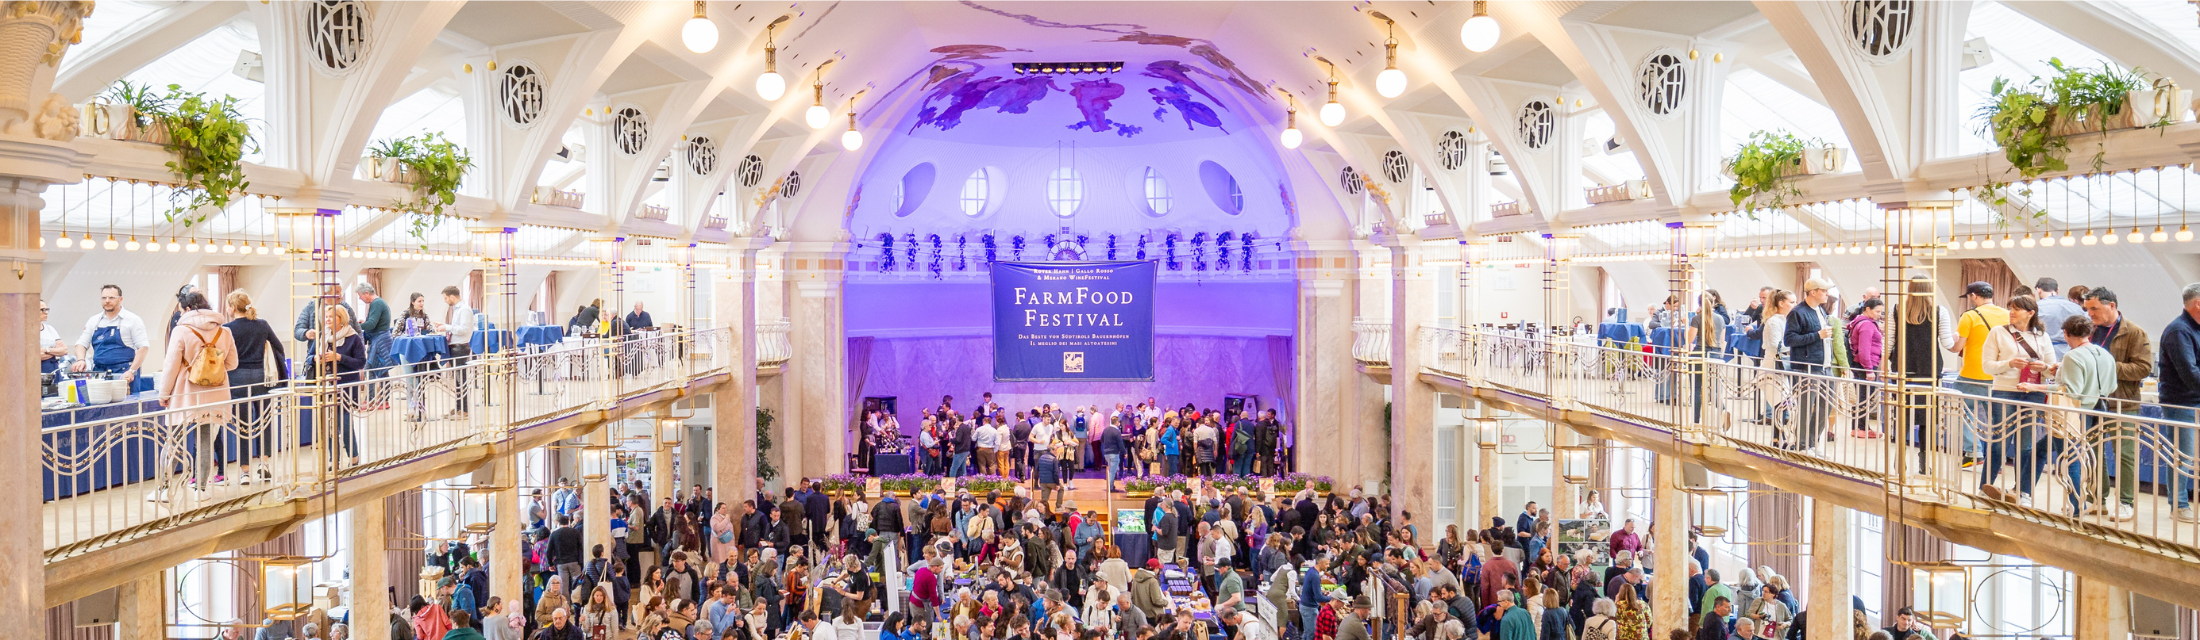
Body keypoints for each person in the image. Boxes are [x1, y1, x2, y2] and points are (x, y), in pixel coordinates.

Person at [154, 291, 237, 499]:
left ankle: (164, 489)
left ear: (187, 309)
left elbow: (171, 365)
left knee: (174, 440)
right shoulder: (224, 331)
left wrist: (164, 393)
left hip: (186, 394)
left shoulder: (181, 331)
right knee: (206, 441)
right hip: (217, 393)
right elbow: (232, 364)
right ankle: (200, 489)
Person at [1979, 295, 2054, 506]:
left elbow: (2052, 368)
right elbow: (1987, 366)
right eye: (2010, 308)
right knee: (1999, 442)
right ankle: (1985, 487)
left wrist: (2044, 368)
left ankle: (2023, 492)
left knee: (2026, 445)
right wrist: (2010, 363)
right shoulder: (1998, 333)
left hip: (2033, 392)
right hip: (2005, 391)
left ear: (2031, 313)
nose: (2011, 312)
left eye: (2017, 309)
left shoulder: (2042, 336)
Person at [2084, 287, 2149, 521]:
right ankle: (2095, 500)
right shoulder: (2089, 330)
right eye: (2087, 309)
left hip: (2123, 402)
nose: (2090, 314)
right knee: (2092, 452)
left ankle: (2126, 503)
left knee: (2125, 455)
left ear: (2111, 305)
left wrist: (2107, 365)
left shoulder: (2134, 332)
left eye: (2095, 309)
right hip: (2091, 402)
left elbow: (2143, 368)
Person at [224, 290, 289, 485]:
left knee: (243, 425)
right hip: (262, 378)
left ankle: (245, 471)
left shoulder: (227, 329)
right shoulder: (262, 325)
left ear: (233, 308)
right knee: (264, 422)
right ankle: (264, 464)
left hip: (237, 379)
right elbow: (279, 347)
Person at [1952, 281, 2009, 464]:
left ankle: (1973, 452)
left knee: (1962, 408)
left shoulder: (1969, 316)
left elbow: (1957, 347)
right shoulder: (2007, 315)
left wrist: (1953, 340)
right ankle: (1996, 459)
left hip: (1973, 373)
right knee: (1998, 420)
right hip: (1999, 374)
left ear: (1974, 296)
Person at [2158, 283, 2200, 523]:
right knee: (2181, 456)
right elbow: (2189, 373)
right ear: (2197, 303)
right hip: (2181, 404)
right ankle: (2179, 505)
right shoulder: (2178, 330)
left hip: (2194, 400)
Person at [1784, 278, 1836, 450]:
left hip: (1825, 366)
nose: (1827, 294)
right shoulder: (1797, 312)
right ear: (1813, 292)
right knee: (1806, 409)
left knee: (1825, 407)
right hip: (1807, 368)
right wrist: (1817, 335)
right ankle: (1802, 445)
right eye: (1824, 290)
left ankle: (1812, 443)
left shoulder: (1820, 310)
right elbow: (1789, 339)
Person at [70, 284, 151, 389]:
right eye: (104, 298)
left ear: (120, 299)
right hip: (100, 372)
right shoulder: (94, 320)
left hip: (124, 372)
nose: (107, 301)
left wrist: (132, 370)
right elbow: (81, 343)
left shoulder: (132, 320)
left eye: (111, 298)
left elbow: (143, 347)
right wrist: (80, 360)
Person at [433, 285, 476, 419]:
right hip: (455, 346)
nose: (445, 301)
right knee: (457, 381)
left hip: (460, 347)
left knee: (460, 380)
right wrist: (445, 326)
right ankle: (459, 408)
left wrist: (447, 327)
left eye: (446, 298)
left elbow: (464, 329)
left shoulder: (465, 310)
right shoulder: (458, 309)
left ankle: (463, 410)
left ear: (452, 296)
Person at [1846, 298, 1885, 438]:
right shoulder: (1866, 325)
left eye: (1881, 311)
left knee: (1863, 396)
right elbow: (1864, 349)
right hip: (1865, 364)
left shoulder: (1861, 322)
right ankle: (1860, 428)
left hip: (1863, 363)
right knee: (1864, 397)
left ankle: (1860, 426)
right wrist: (1869, 369)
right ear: (1867, 309)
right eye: (1877, 311)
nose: (1879, 314)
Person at [2033, 278, 2085, 357]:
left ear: (2038, 290)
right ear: (2057, 290)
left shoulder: (2036, 308)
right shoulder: (2076, 308)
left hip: (2045, 352)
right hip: (2073, 351)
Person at [356, 282, 394, 378]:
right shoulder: (379, 302)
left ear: (367, 293)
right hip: (382, 339)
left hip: (380, 340)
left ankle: (373, 393)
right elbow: (375, 322)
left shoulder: (377, 303)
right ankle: (385, 393)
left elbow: (371, 324)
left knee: (369, 371)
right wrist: (364, 322)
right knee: (381, 371)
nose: (360, 298)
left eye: (360, 296)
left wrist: (356, 326)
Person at [38, 299, 67, 374]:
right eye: (42, 310)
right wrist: (54, 351)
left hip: (53, 369)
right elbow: (34, 355)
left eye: (47, 309)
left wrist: (45, 350)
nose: (46, 312)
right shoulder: (25, 331)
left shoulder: (50, 329)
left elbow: (64, 350)